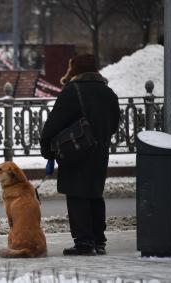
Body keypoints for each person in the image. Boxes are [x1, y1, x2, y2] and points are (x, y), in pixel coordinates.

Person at [40, 54, 120, 256]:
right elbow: (114, 125)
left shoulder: (72, 92)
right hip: (100, 152)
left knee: (77, 195)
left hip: (75, 152)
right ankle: (98, 241)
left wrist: (47, 150)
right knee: (94, 194)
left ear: (74, 71)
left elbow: (53, 124)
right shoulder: (108, 92)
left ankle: (84, 242)